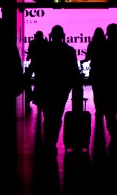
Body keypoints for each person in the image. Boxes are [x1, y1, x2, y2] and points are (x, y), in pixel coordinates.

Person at [33, 25, 80, 154]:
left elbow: (35, 67)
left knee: (47, 114)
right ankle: (52, 139)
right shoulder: (69, 51)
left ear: (51, 36)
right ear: (63, 36)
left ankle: (49, 140)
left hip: (45, 87)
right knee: (57, 113)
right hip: (62, 88)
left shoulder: (43, 50)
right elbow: (73, 70)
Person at [80, 27, 107, 123]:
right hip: (105, 72)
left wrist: (82, 61)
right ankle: (103, 109)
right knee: (104, 92)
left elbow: (88, 58)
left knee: (96, 92)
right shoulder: (106, 44)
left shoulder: (92, 44)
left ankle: (98, 110)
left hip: (95, 71)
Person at [24, 30, 48, 112]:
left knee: (27, 79)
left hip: (34, 63)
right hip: (42, 65)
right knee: (40, 80)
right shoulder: (45, 43)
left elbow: (30, 53)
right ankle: (39, 96)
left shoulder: (33, 42)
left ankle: (30, 97)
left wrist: (28, 58)